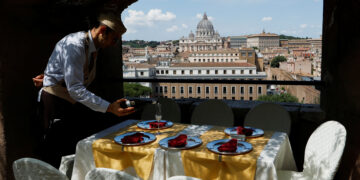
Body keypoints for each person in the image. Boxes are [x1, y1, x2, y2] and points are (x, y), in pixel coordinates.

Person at [33, 13, 135, 167]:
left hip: (67, 101)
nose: (115, 44)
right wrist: (108, 107)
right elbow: (75, 88)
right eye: (114, 39)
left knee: (68, 151)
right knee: (54, 153)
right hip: (55, 102)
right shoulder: (75, 45)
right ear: (102, 30)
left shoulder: (92, 46)